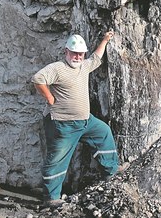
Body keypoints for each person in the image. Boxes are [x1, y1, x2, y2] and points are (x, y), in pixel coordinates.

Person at [32, 31, 120, 207]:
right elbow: (38, 78)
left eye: (80, 53)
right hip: (63, 124)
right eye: (74, 53)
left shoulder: (83, 66)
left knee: (103, 132)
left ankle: (111, 172)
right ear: (66, 51)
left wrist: (105, 40)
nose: (77, 56)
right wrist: (49, 98)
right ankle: (51, 198)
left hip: (85, 121)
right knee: (57, 158)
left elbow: (96, 58)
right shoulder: (58, 68)